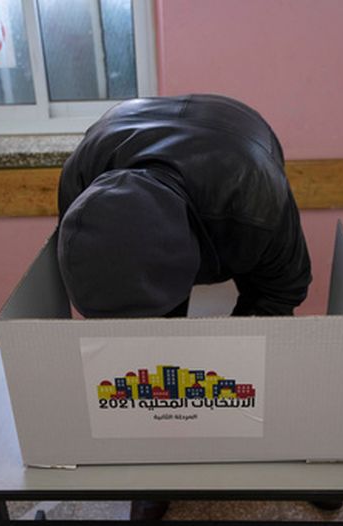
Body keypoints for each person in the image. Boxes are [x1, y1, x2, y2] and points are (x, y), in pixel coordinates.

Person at [56, 94, 314, 519]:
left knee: (256, 348)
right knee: (148, 358)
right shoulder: (79, 183)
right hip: (123, 131)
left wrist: (230, 375)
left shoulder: (258, 206)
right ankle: (156, 473)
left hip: (240, 139)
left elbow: (281, 292)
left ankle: (313, 457)